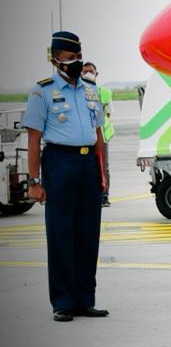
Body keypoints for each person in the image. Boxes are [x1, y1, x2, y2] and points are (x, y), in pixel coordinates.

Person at [23, 31, 109, 322]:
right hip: (59, 162)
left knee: (88, 234)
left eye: (78, 57)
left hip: (87, 166)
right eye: (69, 59)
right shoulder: (42, 91)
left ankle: (85, 300)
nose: (75, 63)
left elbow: (98, 134)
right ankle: (63, 301)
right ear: (54, 60)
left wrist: (102, 174)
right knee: (61, 234)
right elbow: (34, 140)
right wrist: (34, 182)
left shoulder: (90, 89)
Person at [82, 62, 114, 207]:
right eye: (85, 71)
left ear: (96, 74)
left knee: (103, 166)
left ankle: (104, 195)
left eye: (91, 71)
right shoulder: (79, 91)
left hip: (102, 134)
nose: (88, 74)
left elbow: (108, 113)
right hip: (85, 136)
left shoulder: (104, 92)